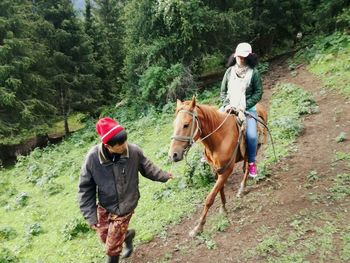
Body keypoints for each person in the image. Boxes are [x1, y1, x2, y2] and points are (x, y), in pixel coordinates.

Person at [78, 117, 173, 263]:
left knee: (112, 247)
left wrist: (164, 176)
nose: (124, 146)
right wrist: (90, 215)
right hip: (105, 205)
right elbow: (85, 189)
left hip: (125, 205)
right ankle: (127, 235)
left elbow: (148, 168)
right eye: (119, 144)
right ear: (107, 146)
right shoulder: (92, 158)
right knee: (104, 236)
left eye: (125, 141)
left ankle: (115, 251)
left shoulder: (133, 151)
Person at [220, 42, 263, 178]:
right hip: (229, 107)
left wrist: (245, 106)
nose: (241, 59)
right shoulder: (229, 72)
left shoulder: (253, 73)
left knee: (251, 135)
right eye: (239, 56)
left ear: (249, 57)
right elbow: (223, 91)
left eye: (244, 56)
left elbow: (258, 92)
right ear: (235, 55)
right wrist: (226, 104)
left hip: (247, 109)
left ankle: (251, 162)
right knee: (211, 123)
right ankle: (207, 154)